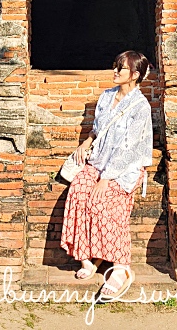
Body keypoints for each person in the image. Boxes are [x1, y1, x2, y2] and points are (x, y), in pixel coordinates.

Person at [60, 49, 154, 299]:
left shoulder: (140, 106)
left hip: (124, 169)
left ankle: (121, 268)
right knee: (78, 192)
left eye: (120, 68)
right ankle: (88, 258)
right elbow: (98, 130)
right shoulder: (106, 96)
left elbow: (130, 148)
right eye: (115, 66)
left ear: (134, 75)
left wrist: (106, 178)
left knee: (107, 204)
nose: (114, 71)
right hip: (99, 162)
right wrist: (85, 142)